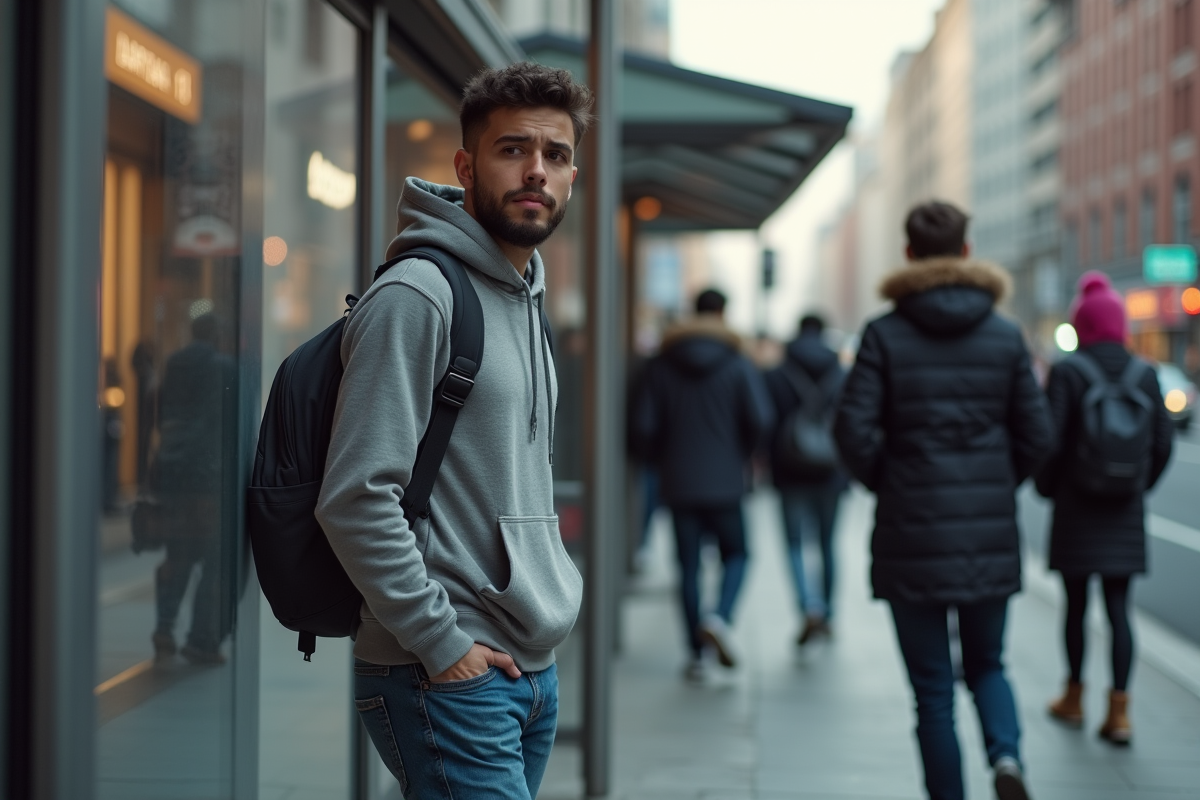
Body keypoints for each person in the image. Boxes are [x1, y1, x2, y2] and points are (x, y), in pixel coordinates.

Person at [314, 64, 590, 800]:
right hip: (444, 669)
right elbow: (355, 495)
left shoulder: (526, 297)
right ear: (466, 165)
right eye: (513, 150)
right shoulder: (419, 296)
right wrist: (443, 646)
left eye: (556, 155)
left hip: (528, 666)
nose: (537, 170)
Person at [834, 202, 1052, 800]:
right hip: (987, 534)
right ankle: (1006, 757)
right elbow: (1038, 435)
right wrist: (994, 483)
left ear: (908, 254)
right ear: (964, 251)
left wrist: (892, 480)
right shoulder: (1006, 336)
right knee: (988, 663)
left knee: (932, 690)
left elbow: (851, 431)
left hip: (912, 533)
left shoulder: (883, 334)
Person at [1036, 271, 1173, 746]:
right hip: (1124, 510)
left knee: (1075, 607)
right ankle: (1120, 713)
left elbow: (1049, 441)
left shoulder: (1069, 371)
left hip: (1077, 508)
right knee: (1120, 610)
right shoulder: (1145, 372)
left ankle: (1073, 698)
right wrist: (1137, 486)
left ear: (1083, 325)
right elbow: (1162, 443)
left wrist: (1050, 488)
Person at [630, 288, 774, 681]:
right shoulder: (738, 362)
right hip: (727, 482)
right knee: (738, 554)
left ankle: (696, 654)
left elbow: (643, 425)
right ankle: (720, 617)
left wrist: (662, 460)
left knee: (688, 567)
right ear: (723, 314)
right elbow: (761, 419)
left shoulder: (661, 364)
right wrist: (740, 454)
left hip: (678, 482)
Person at [150, 312, 235, 664]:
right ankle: (201, 639)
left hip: (172, 474)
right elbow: (227, 424)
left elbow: (159, 415)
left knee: (178, 553)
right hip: (208, 477)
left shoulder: (174, 363)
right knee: (214, 562)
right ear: (215, 332)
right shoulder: (224, 367)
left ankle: (165, 625)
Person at [764, 313, 847, 645]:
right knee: (828, 544)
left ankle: (808, 607)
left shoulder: (777, 375)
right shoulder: (840, 373)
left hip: (789, 472)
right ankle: (827, 613)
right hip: (831, 471)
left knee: (795, 544)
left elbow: (763, 423)